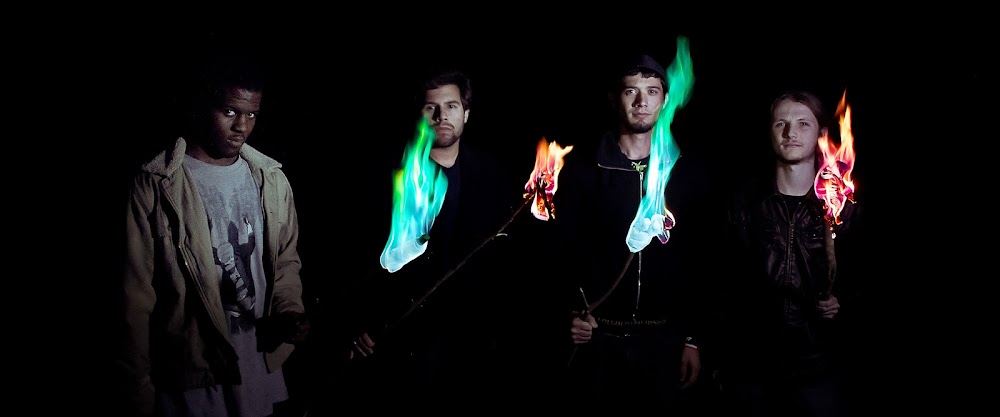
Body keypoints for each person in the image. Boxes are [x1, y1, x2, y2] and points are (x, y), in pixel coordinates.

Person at [118, 54, 311, 417]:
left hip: (259, 371)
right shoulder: (157, 185)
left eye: (252, 114)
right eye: (229, 111)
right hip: (192, 379)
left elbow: (286, 263)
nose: (242, 126)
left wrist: (289, 314)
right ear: (202, 105)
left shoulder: (271, 180)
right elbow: (134, 299)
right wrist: (138, 394)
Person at [333, 68, 520, 411]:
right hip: (400, 337)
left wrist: (499, 329)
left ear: (466, 113)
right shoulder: (389, 174)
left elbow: (505, 260)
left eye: (451, 106)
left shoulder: (491, 173)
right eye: (431, 107)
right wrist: (358, 324)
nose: (441, 116)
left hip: (470, 338)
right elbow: (355, 253)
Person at [553, 49, 713, 412]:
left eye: (652, 92)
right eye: (631, 91)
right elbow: (561, 250)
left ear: (665, 100)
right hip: (598, 341)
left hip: (663, 341)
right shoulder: (582, 170)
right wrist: (572, 312)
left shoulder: (688, 172)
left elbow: (702, 259)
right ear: (614, 98)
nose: (642, 102)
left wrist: (693, 338)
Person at [715, 90, 864, 417]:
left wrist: (842, 303)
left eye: (802, 124)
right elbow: (723, 279)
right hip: (752, 365)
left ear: (821, 134)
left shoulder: (843, 207)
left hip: (820, 366)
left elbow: (864, 277)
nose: (790, 133)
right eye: (780, 123)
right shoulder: (744, 202)